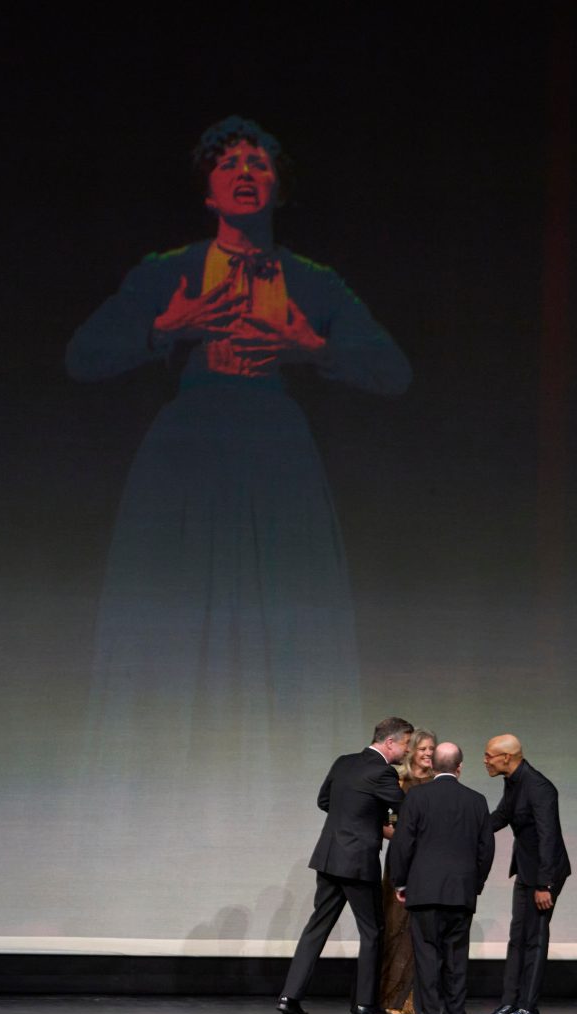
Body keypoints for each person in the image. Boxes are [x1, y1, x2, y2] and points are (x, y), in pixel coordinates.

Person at [66, 117, 412, 838]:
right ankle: (155, 804)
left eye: (258, 162)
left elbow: (393, 370)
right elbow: (84, 355)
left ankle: (281, 801)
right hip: (187, 452)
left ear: (279, 187)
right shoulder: (169, 269)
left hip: (274, 449)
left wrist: (312, 345)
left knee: (283, 615)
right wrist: (170, 327)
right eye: (229, 163)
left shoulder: (312, 280)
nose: (245, 172)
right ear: (209, 190)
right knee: (172, 613)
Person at [279, 717, 415, 1014]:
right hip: (357, 863)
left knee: (317, 926)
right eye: (406, 743)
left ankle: (289, 996)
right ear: (390, 742)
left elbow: (324, 800)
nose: (408, 750)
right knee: (373, 931)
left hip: (329, 857)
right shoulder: (383, 772)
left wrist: (355, 817)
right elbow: (406, 811)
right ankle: (365, 1004)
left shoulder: (344, 762)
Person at [388, 742, 495, 1014]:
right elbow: (486, 849)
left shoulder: (417, 797)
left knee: (427, 959)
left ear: (433, 766)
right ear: (459, 768)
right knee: (456, 961)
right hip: (461, 894)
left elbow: (402, 843)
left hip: (424, 893)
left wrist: (400, 882)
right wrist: (475, 884)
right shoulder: (477, 801)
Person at [475, 734, 571, 1014]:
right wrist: (467, 827)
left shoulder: (539, 787)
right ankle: (509, 1004)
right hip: (527, 871)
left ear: (506, 757)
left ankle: (527, 1008)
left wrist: (545, 885)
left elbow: (548, 837)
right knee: (517, 938)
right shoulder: (513, 781)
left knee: (534, 938)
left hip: (544, 874)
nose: (485, 760)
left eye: (489, 755)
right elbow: (501, 816)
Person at [380, 728, 438, 1014]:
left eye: (432, 749)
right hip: (402, 860)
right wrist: (405, 836)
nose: (428, 753)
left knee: (421, 928)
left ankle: (414, 1000)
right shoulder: (398, 782)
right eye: (423, 748)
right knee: (395, 924)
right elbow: (384, 823)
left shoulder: (438, 784)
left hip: (427, 861)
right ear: (411, 751)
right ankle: (389, 998)